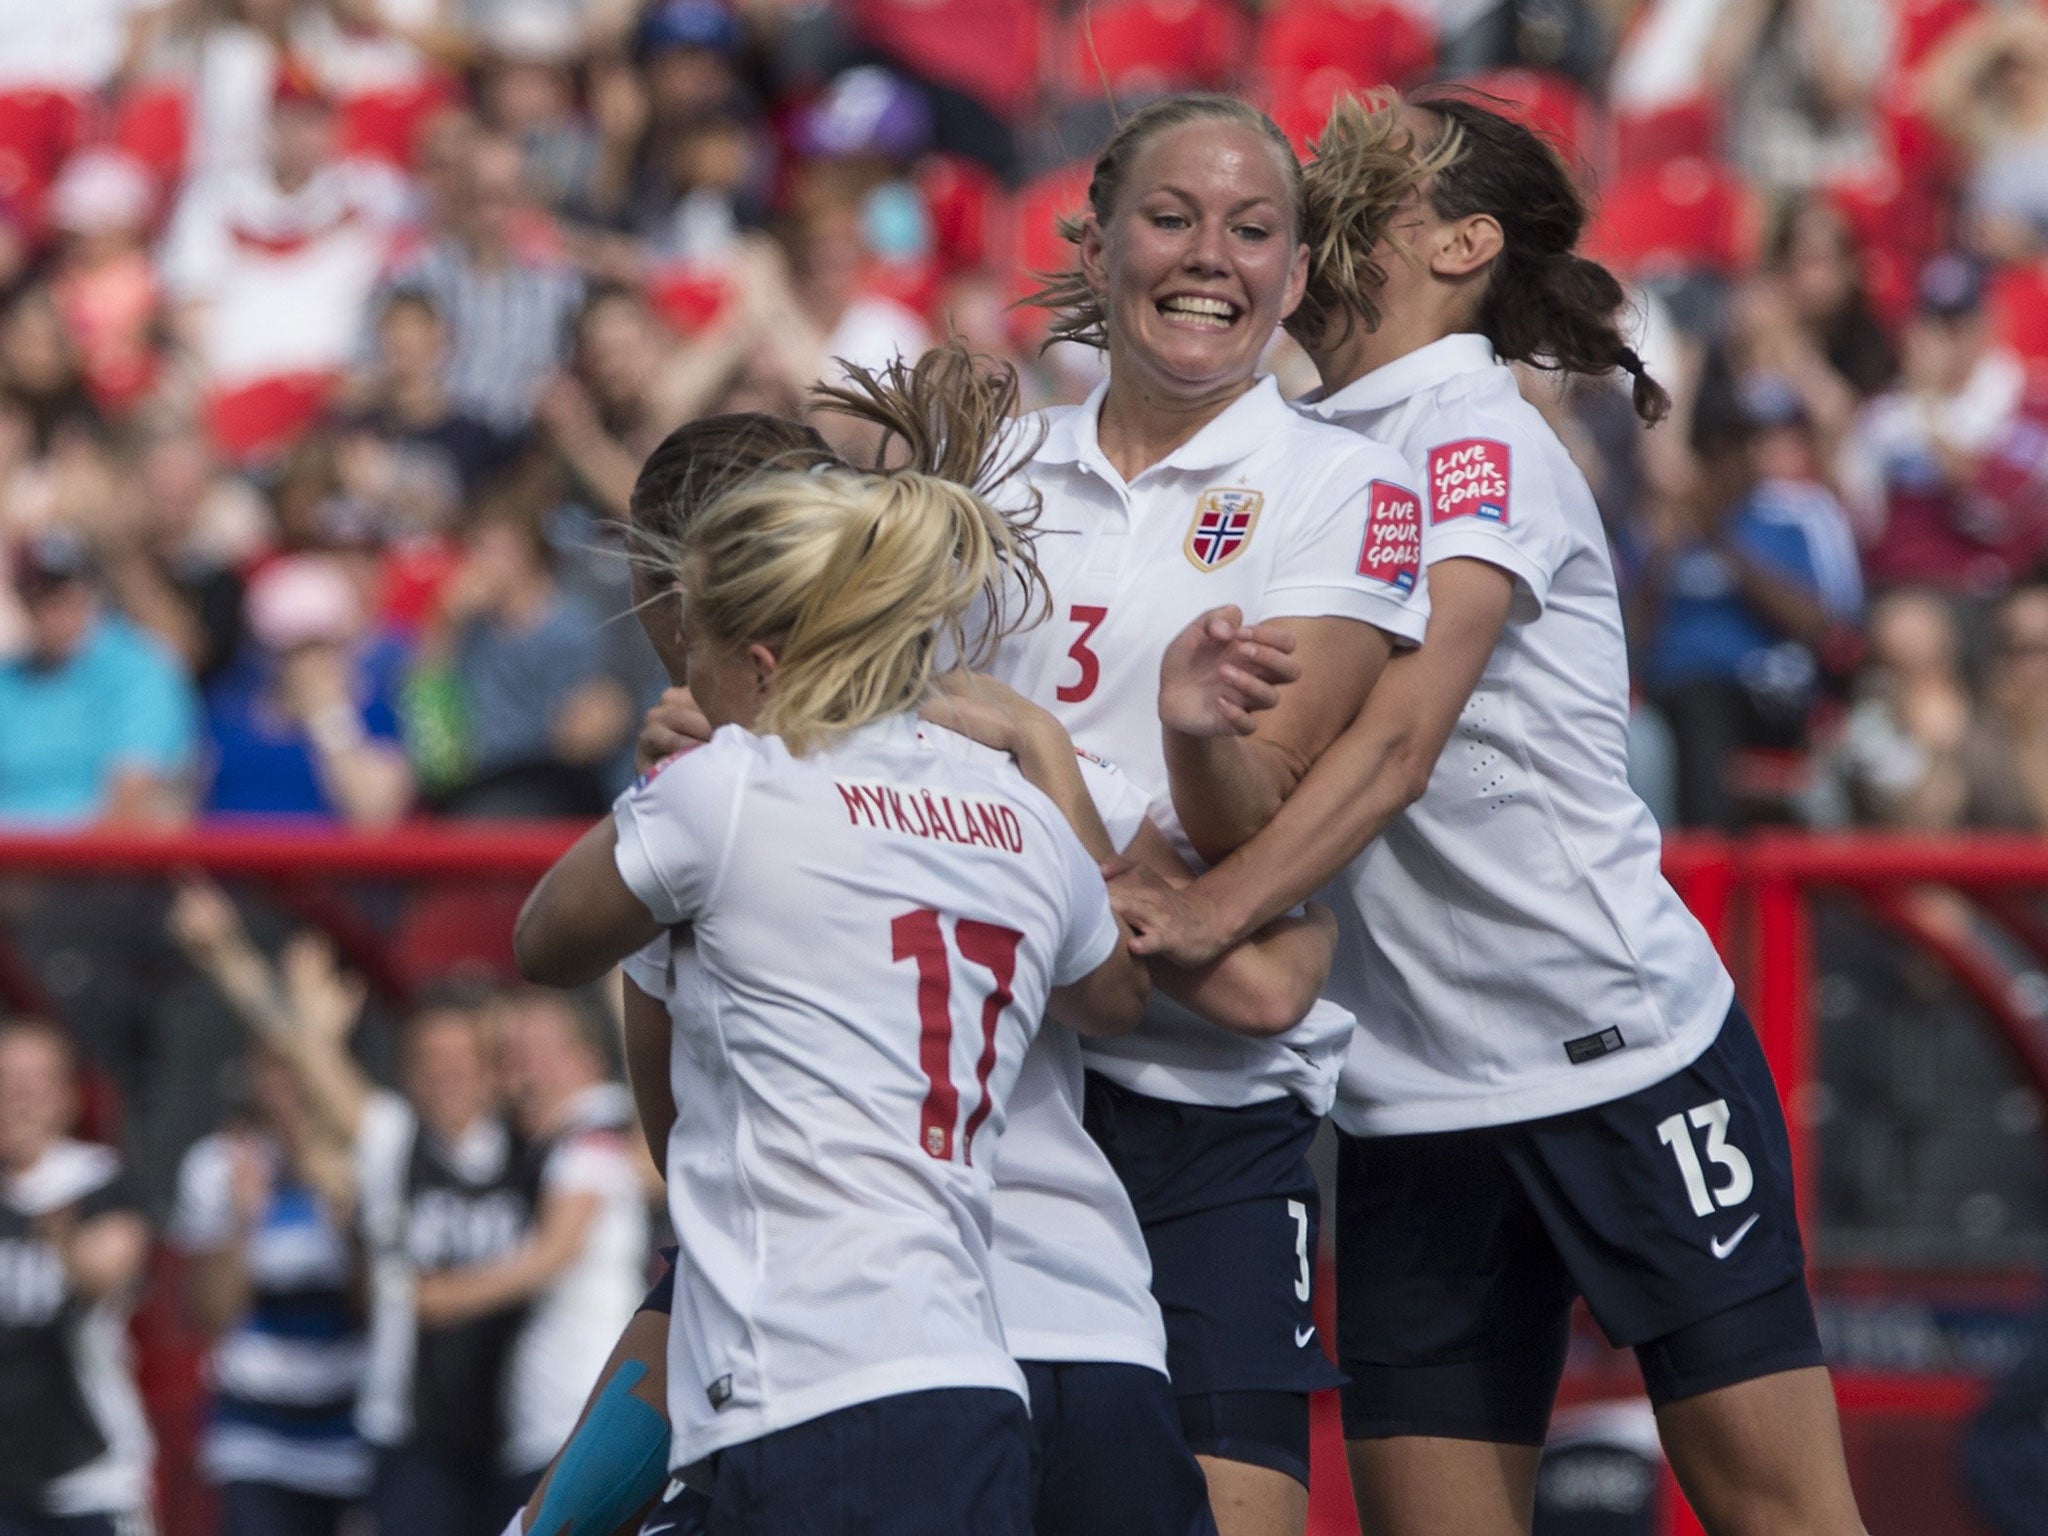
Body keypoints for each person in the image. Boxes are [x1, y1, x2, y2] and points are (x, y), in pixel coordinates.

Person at [1108, 91, 1869, 1536]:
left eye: (1364, 190)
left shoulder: (1478, 437)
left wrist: (1205, 910)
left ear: (1464, 241)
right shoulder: (1289, 451)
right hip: (1408, 1096)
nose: (1320, 207)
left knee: (1785, 1516)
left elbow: (1397, 738)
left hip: (1619, 1054)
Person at [509, 350, 1347, 1536]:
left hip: (837, 1360)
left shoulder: (714, 802)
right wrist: (1050, 758)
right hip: (1077, 1331)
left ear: (701, 619)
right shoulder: (1009, 773)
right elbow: (1269, 980)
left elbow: (681, 1144)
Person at [513, 452, 1151, 1536]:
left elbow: (544, 942)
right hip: (971, 1368)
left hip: (810, 1379)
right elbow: (1116, 997)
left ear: (759, 665)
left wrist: (663, 781)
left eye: (696, 659)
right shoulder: (1017, 812)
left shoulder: (726, 790)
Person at [1011, 92, 1432, 1536]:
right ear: (1100, 238)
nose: (1213, 257)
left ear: (1299, 274)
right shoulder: (986, 479)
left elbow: (1260, 836)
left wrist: (1195, 746)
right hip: (996, 1087)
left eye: (1254, 230)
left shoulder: (1349, 487)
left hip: (1205, 1118)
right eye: (1174, 217)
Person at [161, 904, 368, 1536]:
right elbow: (210, 1314)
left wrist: (346, 1218)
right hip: (254, 1436)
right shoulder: (220, 1165)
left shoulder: (367, 1157)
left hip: (351, 1432)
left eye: (294, 1067)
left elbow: (376, 1304)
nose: (282, 1087)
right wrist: (244, 1222)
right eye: (268, 1070)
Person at [0, 1016, 153, 1536]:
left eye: (34, 1082)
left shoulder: (97, 1179)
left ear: (67, 1095)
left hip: (87, 1470)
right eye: (6, 1081)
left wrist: (59, 1238)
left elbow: (103, 1274)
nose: (18, 1097)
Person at [0, 528, 199, 828]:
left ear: (91, 591)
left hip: (94, 867)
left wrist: (33, 866)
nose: (47, 610)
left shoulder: (140, 673)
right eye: (34, 595)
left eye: (60, 594)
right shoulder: (10, 680)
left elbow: (129, 809)